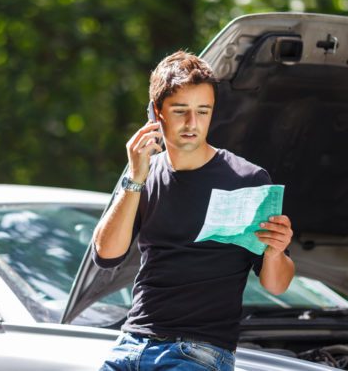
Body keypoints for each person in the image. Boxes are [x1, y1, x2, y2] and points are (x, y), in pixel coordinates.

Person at [93, 50, 295, 371]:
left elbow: (276, 285)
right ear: (156, 113)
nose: (192, 123)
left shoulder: (246, 179)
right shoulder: (142, 172)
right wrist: (134, 178)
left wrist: (275, 251)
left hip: (199, 352)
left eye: (203, 111)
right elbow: (106, 255)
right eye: (181, 111)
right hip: (132, 343)